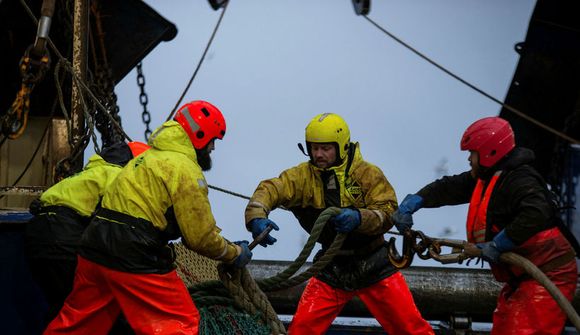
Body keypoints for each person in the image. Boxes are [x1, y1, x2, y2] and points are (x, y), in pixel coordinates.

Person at [44, 100, 253, 335]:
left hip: (93, 248)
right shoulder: (184, 170)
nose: (213, 148)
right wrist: (234, 253)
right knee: (178, 322)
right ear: (200, 136)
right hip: (134, 254)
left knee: (79, 324)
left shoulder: (145, 160)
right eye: (213, 141)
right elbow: (200, 238)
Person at [245, 113, 433, 335]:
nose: (318, 154)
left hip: (374, 263)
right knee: (302, 330)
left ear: (341, 146)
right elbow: (270, 189)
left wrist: (359, 218)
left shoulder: (367, 174)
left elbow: (388, 210)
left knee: (411, 329)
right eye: (314, 148)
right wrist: (256, 215)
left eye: (325, 148)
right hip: (332, 266)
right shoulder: (301, 177)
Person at [392, 116, 578, 334]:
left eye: (472, 153)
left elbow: (536, 212)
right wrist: (415, 201)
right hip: (520, 280)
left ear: (490, 153)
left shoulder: (520, 181)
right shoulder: (487, 177)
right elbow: (448, 188)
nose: (469, 159)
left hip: (547, 277)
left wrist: (498, 245)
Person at [25, 141, 147, 325]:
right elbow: (118, 229)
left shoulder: (87, 175)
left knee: (63, 303)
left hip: (37, 236)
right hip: (63, 236)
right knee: (90, 306)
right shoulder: (118, 177)